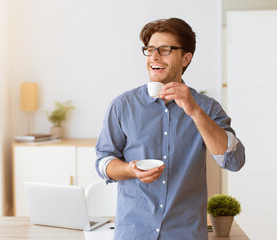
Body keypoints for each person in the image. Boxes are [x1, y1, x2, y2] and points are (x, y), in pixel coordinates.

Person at [95, 18, 245, 240]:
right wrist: (130, 170)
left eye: (164, 50)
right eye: (149, 50)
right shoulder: (122, 106)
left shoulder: (206, 107)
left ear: (186, 58)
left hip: (185, 233)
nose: (154, 57)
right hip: (134, 232)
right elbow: (103, 161)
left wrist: (193, 110)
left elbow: (234, 161)